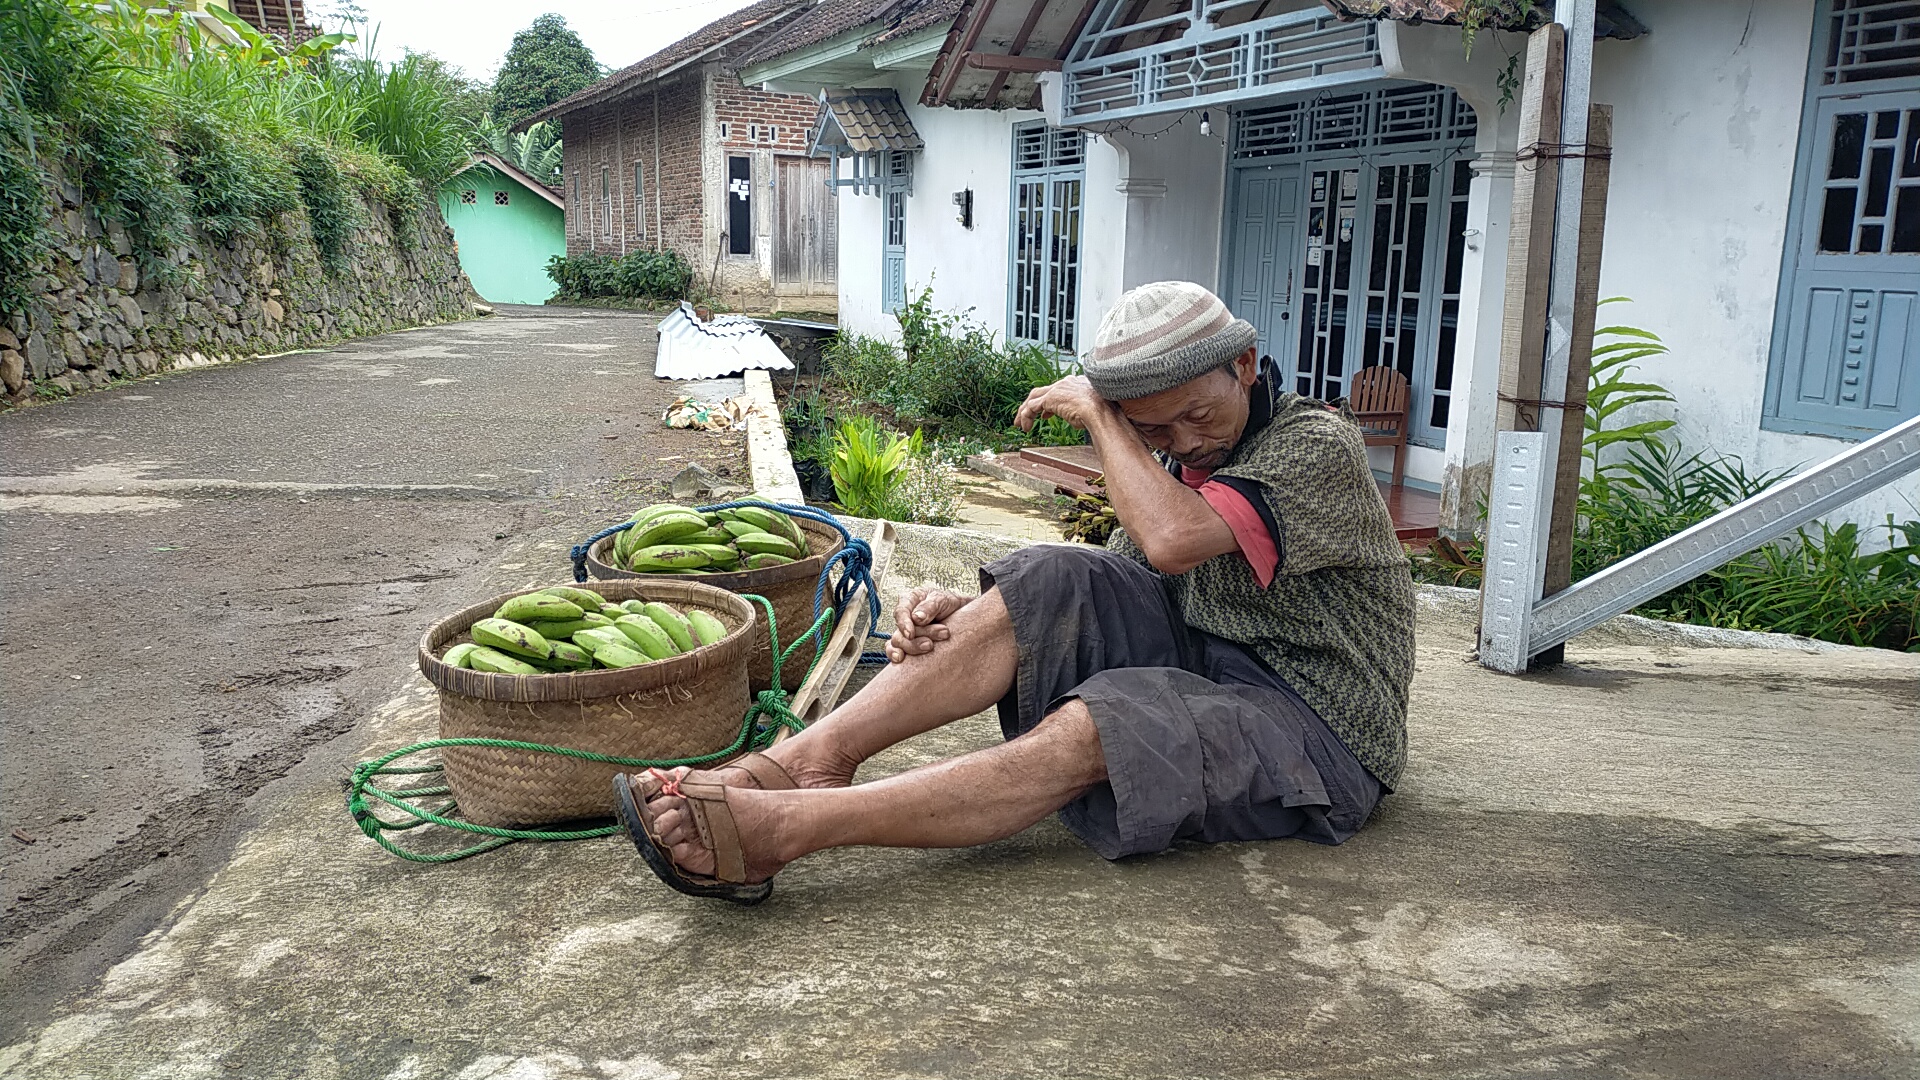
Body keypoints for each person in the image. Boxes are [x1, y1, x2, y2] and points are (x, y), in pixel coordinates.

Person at [614, 280, 1415, 904]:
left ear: (1245, 367)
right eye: (1154, 432)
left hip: (1316, 725)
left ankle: (789, 828)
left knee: (1112, 721)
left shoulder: (1318, 446)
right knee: (1047, 577)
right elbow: (1119, 577)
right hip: (1206, 659)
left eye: (1196, 416)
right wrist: (983, 617)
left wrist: (1102, 418)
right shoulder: (1177, 452)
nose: (1185, 442)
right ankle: (806, 761)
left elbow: (1173, 543)